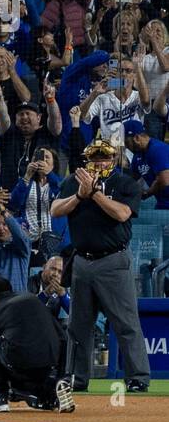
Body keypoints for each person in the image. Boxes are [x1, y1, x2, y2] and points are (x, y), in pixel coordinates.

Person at [49, 138, 151, 393]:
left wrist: (93, 194)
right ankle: (77, 377)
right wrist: (79, 196)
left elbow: (122, 214)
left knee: (125, 323)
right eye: (94, 158)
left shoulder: (125, 183)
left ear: (113, 159)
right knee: (78, 326)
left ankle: (138, 377)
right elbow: (55, 210)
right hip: (82, 261)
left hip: (113, 261)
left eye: (104, 157)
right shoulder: (74, 181)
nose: (99, 162)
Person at [0, 276, 74, 413]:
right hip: (49, 363)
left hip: (21, 363)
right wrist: (61, 374)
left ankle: (0, 399)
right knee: (31, 384)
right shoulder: (33, 299)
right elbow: (62, 337)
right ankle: (52, 391)